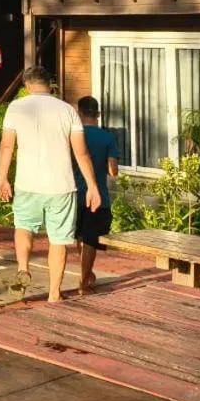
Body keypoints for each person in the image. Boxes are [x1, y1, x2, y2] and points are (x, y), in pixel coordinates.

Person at [0, 67, 102, 303]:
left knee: (24, 228)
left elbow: (6, 146)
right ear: (50, 86)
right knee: (59, 240)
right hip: (61, 186)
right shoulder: (67, 110)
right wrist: (92, 186)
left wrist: (2, 178)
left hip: (27, 183)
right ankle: (54, 293)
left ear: (26, 86)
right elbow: (81, 152)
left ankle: (23, 268)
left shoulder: (16, 108)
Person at [75, 96, 120, 295]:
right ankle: (84, 282)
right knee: (91, 239)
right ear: (98, 114)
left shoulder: (73, 135)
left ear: (79, 112)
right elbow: (113, 171)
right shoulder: (107, 137)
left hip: (74, 194)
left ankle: (86, 273)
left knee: (79, 235)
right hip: (98, 196)